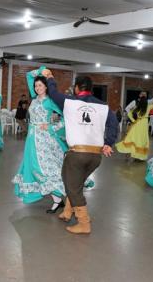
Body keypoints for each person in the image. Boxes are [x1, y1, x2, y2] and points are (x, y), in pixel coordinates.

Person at [44, 70, 119, 234]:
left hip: (77, 154)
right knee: (74, 182)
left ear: (77, 88)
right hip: (95, 156)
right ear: (91, 89)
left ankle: (84, 223)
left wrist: (50, 77)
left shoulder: (70, 102)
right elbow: (114, 124)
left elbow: (53, 92)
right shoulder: (103, 106)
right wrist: (108, 143)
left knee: (72, 185)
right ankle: (68, 211)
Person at [13, 70, 69, 213]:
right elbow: (28, 75)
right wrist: (39, 72)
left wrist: (52, 126)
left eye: (40, 85)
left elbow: (66, 117)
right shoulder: (34, 100)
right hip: (32, 139)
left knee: (44, 168)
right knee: (32, 167)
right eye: (36, 86)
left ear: (46, 87)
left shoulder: (50, 101)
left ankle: (58, 198)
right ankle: (57, 198)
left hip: (45, 140)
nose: (37, 88)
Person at [116, 94, 153, 160]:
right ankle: (138, 156)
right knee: (141, 140)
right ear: (146, 102)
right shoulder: (148, 106)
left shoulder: (138, 107)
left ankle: (129, 153)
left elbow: (129, 113)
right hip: (144, 125)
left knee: (133, 138)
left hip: (137, 124)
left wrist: (133, 120)